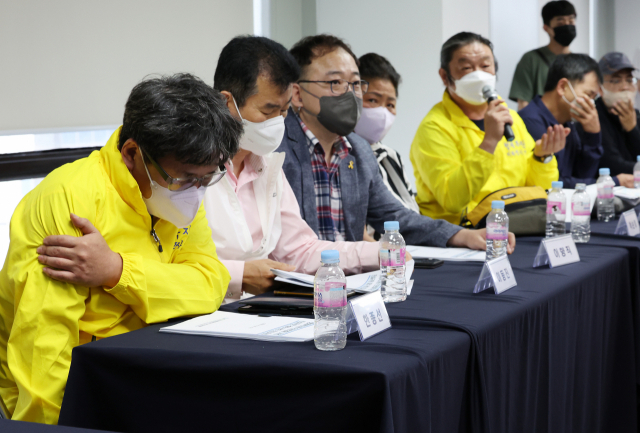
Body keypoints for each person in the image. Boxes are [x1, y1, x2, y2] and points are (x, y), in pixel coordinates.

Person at [0, 74, 241, 423]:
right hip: (81, 395)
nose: (197, 191)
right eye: (186, 178)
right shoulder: (69, 200)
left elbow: (209, 285)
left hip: (147, 382)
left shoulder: (180, 197)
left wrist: (116, 270)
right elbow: (42, 354)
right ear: (131, 153)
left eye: (207, 178)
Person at [276, 34, 514, 252]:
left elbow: (396, 216)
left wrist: (462, 235)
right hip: (292, 279)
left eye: (356, 84)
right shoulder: (276, 149)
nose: (350, 93)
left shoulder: (357, 150)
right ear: (297, 95)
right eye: (335, 82)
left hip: (346, 277)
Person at [206, 36, 382, 301]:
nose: (277, 122)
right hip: (203, 309)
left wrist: (379, 253)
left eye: (284, 111)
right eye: (268, 111)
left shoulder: (267, 164)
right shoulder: (192, 167)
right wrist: (239, 274)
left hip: (255, 309)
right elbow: (173, 264)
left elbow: (298, 250)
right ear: (226, 102)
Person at [411, 32, 563, 225]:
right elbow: (452, 200)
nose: (478, 75)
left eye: (485, 66)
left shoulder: (511, 118)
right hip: (461, 233)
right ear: (444, 76)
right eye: (467, 68)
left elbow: (539, 190)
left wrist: (542, 158)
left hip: (516, 225)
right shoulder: (434, 128)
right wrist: (489, 142)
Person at [519, 54, 633, 187]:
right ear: (562, 87)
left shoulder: (568, 122)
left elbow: (583, 175)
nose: (591, 103)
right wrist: (614, 182)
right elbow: (553, 182)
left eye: (594, 97)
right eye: (588, 94)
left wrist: (593, 134)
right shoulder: (529, 122)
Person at [355, 53, 419, 216]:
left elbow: (411, 211)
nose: (383, 112)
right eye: (372, 100)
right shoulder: (342, 157)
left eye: (390, 104)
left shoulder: (391, 157)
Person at [510, 1, 577, 110]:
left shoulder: (580, 63)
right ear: (546, 28)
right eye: (560, 22)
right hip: (540, 119)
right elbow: (523, 104)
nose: (567, 25)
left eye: (571, 20)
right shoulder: (531, 59)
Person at [596, 52, 640, 176]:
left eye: (629, 80)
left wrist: (632, 130)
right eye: (616, 81)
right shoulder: (594, 116)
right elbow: (612, 165)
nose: (625, 86)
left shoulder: (636, 114)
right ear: (600, 88)